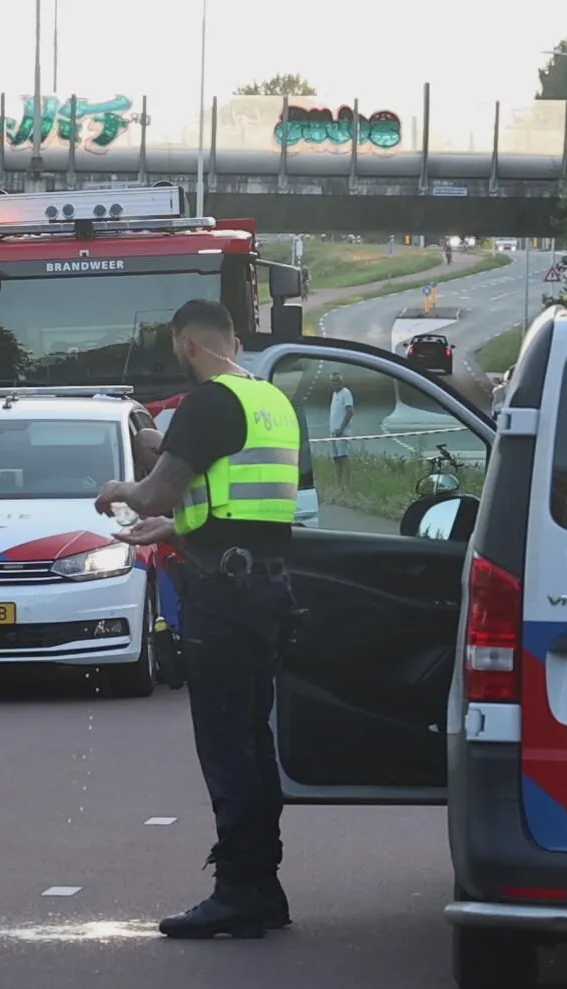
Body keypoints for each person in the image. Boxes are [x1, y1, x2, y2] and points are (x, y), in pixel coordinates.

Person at [93, 298, 303, 940]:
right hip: (265, 589)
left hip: (223, 600)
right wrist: (174, 526)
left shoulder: (209, 404)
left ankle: (237, 891)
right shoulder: (270, 400)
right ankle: (264, 887)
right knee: (254, 741)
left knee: (224, 744)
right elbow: (237, 507)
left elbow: (156, 487)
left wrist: (122, 493)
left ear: (186, 343)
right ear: (233, 339)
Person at [328, 372, 354, 485]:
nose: (334, 383)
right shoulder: (334, 394)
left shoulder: (346, 393)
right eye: (332, 381)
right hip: (333, 432)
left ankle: (346, 483)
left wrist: (342, 428)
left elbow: (350, 411)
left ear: (341, 382)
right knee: (336, 458)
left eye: (336, 381)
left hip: (342, 432)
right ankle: (338, 484)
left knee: (344, 457)